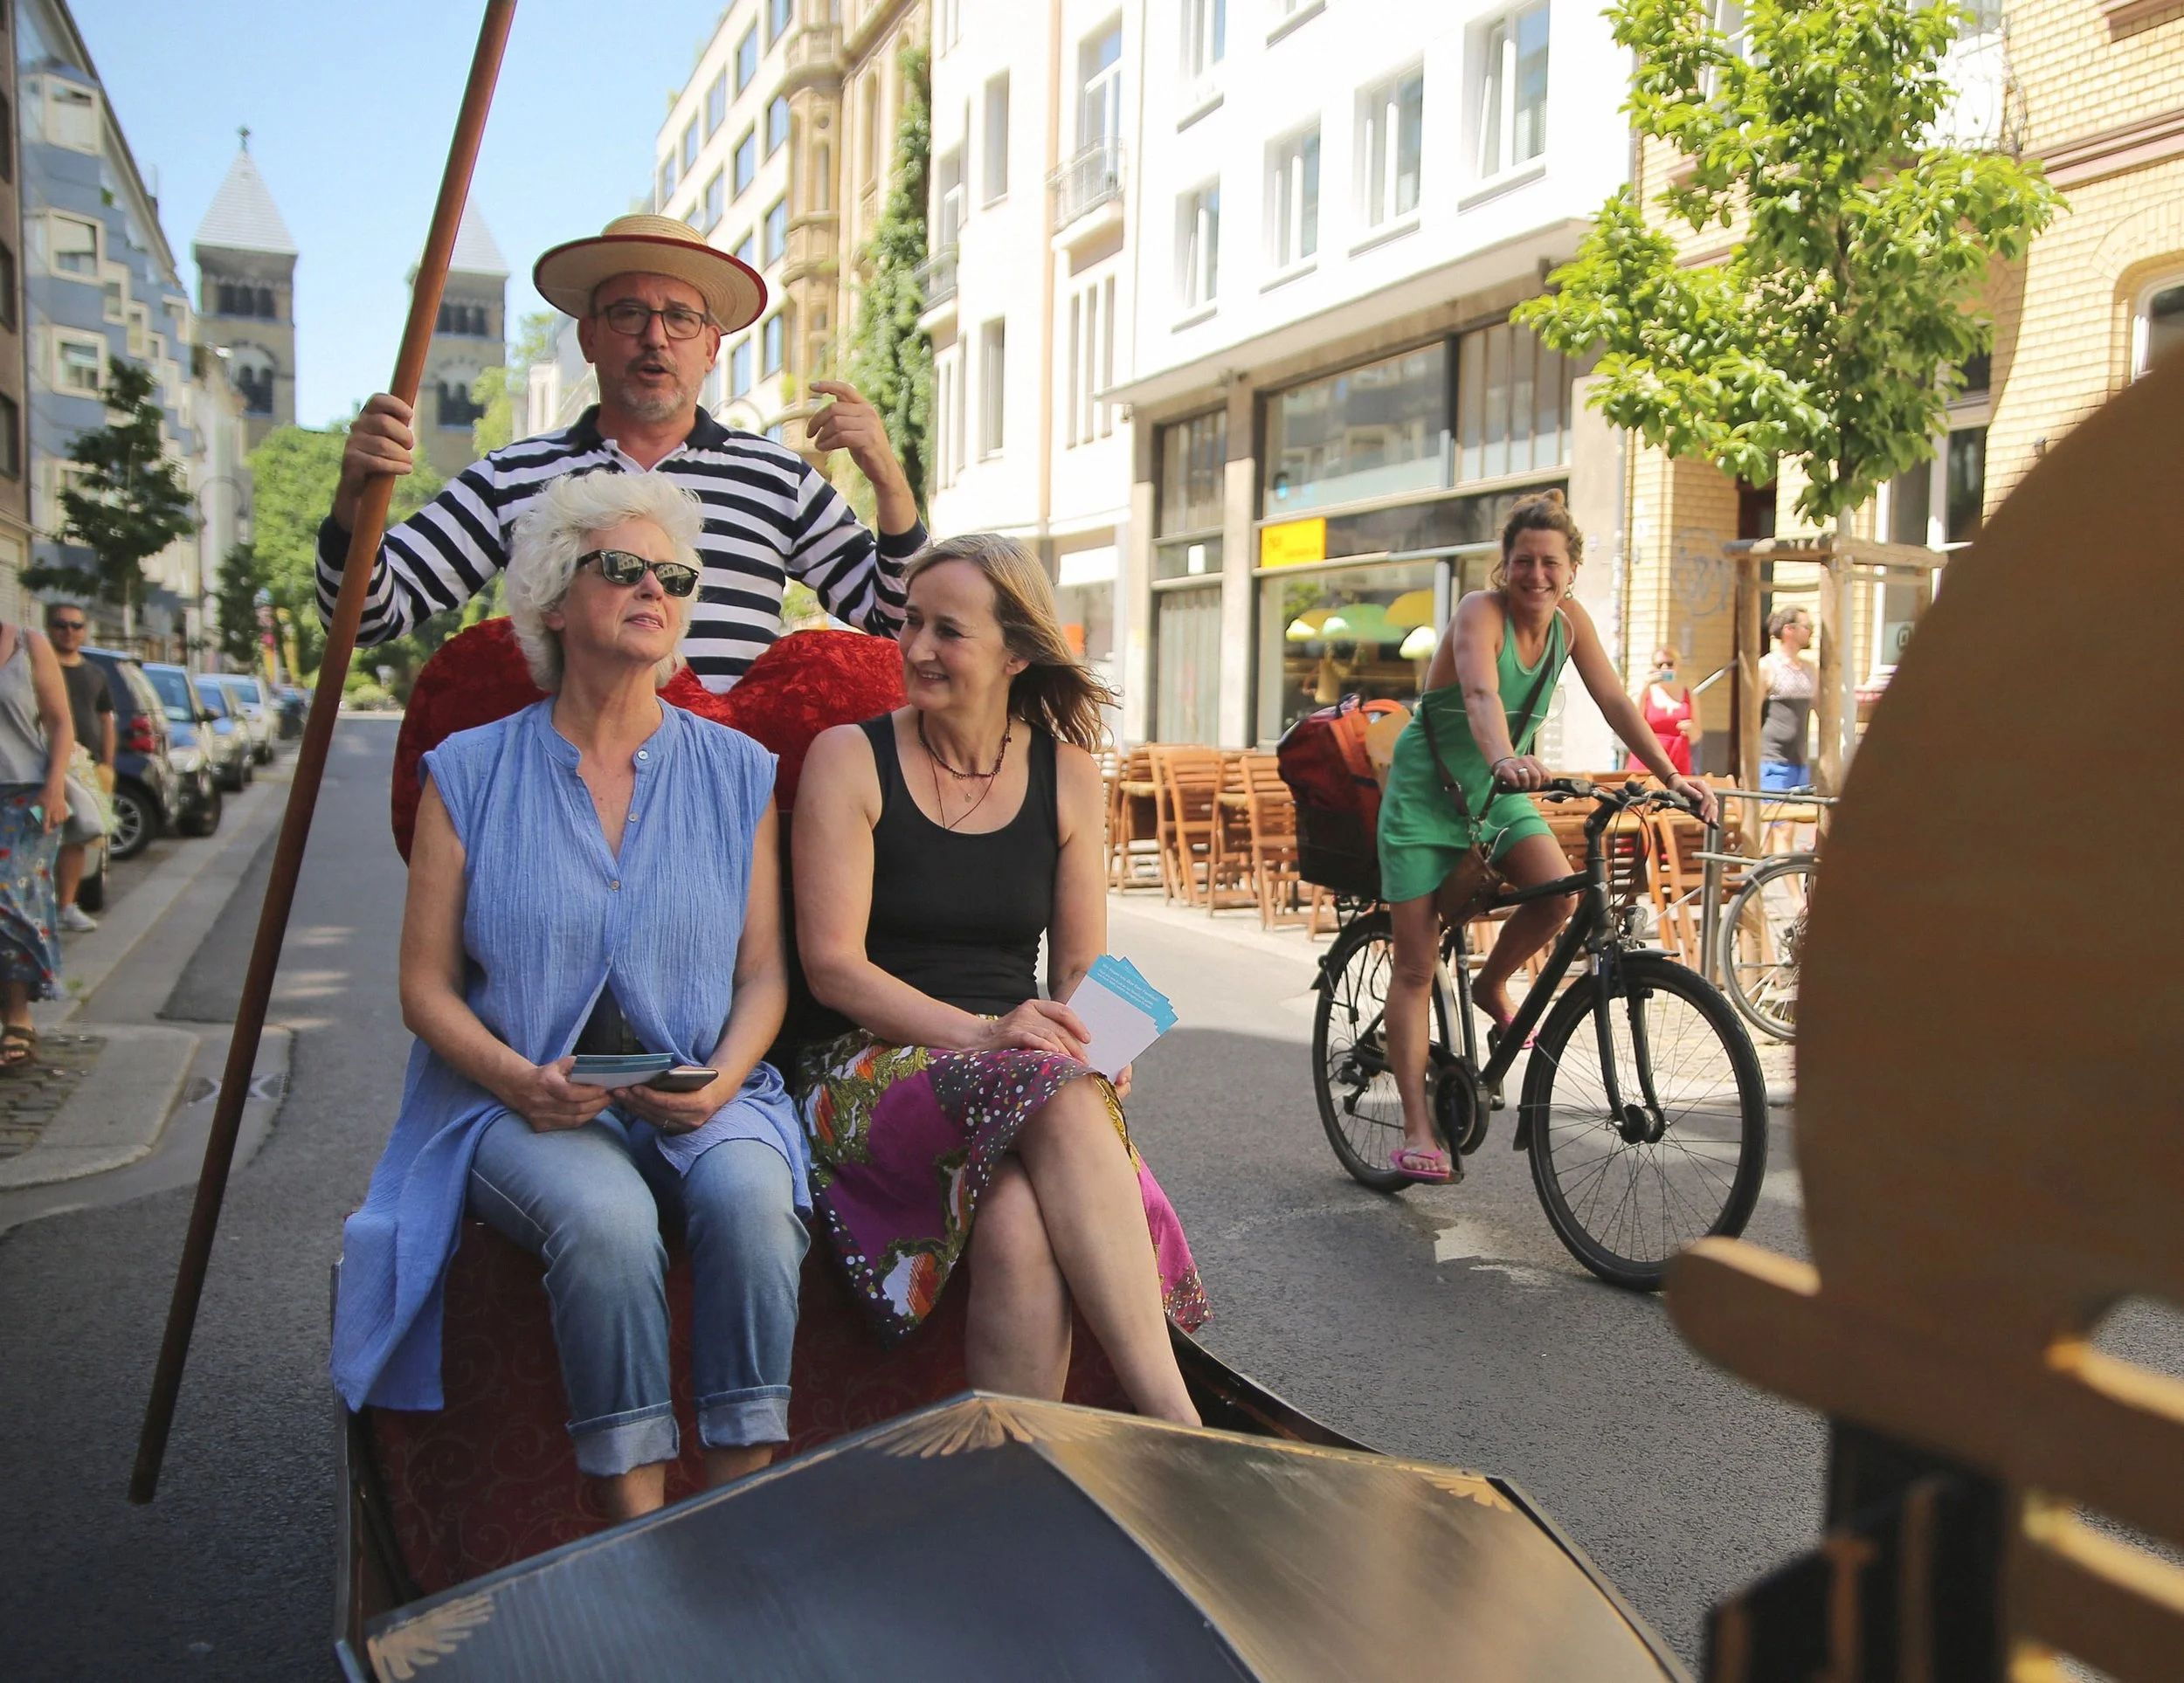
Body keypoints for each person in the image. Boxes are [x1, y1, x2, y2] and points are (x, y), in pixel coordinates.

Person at [330, 471, 808, 1521]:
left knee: (753, 1204)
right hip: (516, 1102)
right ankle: (632, 1531)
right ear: (553, 597)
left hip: (704, 1092)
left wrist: (723, 1080)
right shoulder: (468, 771)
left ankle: (740, 1511)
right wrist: (520, 1080)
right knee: (603, 1217)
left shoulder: (739, 771)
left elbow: (766, 972)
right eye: (622, 568)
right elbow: (423, 988)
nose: (655, 588)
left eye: (674, 574)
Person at [793, 534, 1207, 1426]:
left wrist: (1098, 1038)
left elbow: (1079, 967)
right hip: (866, 1064)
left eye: (949, 631)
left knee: (1019, 1220)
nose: (914, 648)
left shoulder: (1066, 773)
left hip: (1017, 1068)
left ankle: (1015, 1481)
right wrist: (986, 1034)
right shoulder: (849, 757)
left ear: (1016, 652)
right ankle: (1180, 1424)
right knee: (1051, 1085)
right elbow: (832, 966)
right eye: (911, 623)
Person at [321, 213, 926, 691]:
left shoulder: (777, 479)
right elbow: (370, 616)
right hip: (567, 807)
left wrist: (888, 482)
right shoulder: (511, 478)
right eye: (629, 313)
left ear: (711, 347)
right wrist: (355, 499)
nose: (655, 337)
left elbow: (897, 619)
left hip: (728, 812)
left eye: (680, 317)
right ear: (589, 337)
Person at [1375, 493, 1718, 1183]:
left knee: (1558, 896)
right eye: (1524, 562)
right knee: (1415, 965)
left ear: (1572, 570)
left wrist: (1673, 776)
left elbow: (1617, 701)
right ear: (1504, 567)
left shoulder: (1569, 623)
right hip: (1431, 790)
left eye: (1550, 563)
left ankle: (1492, 984)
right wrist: (1504, 757)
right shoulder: (1480, 611)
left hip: (1505, 788)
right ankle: (1417, 1129)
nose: (1537, 575)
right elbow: (1478, 695)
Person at [0, 621, 73, 1072]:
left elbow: (61, 721)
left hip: (26, 794)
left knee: (10, 898)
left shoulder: (28, 644)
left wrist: (55, 786)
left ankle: (18, 1013)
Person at [44, 603, 114, 933]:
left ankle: (67, 905)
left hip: (84, 771)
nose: (68, 631)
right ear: (49, 628)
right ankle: (36, 907)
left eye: (76, 625)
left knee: (78, 835)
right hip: (43, 767)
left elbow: (106, 718)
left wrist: (108, 765)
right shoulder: (37, 669)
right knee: (41, 834)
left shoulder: (96, 673)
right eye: (61, 625)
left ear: (85, 630)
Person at [1759, 606, 1816, 793]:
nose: (1811, 631)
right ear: (1788, 630)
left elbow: (1821, 709)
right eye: (1806, 626)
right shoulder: (1768, 666)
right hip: (1772, 759)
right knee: (1775, 820)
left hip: (1800, 761)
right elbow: (1751, 714)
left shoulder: (1810, 669)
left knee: (1796, 818)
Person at [1625, 645, 1701, 778]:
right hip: (1648, 758)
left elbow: (1697, 737)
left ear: (1678, 666)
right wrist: (1645, 686)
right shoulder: (1646, 692)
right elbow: (1633, 724)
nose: (1665, 668)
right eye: (1659, 665)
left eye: (1670, 664)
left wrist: (1691, 729)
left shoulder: (1689, 694)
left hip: (1678, 759)